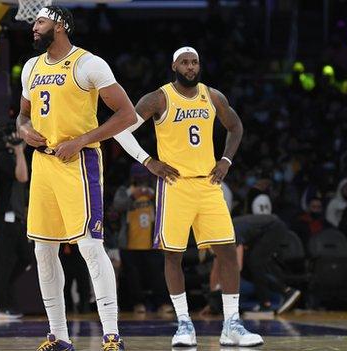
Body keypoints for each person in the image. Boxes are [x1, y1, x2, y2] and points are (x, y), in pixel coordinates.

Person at [113, 46, 263, 347]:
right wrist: (148, 161)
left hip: (208, 185)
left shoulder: (213, 96)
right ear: (174, 66)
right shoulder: (158, 97)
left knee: (228, 253)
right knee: (173, 256)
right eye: (185, 62)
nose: (191, 67)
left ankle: (231, 324)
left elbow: (236, 127)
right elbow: (120, 130)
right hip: (175, 186)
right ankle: (184, 323)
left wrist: (226, 161)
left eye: (194, 62)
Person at [16, 7, 136, 351]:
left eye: (39, 22)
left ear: (60, 25)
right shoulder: (31, 67)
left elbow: (126, 114)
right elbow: (21, 117)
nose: (33, 28)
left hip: (79, 163)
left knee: (89, 247)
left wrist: (82, 139)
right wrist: (25, 131)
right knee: (43, 250)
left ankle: (112, 335)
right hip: (44, 165)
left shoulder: (88, 64)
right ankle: (59, 336)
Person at [0, 135, 31, 320]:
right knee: (7, 260)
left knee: (25, 258)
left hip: (15, 216)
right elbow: (23, 177)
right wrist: (18, 151)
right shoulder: (4, 157)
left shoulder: (13, 156)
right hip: (6, 216)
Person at [113, 163, 170, 313]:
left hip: (152, 242)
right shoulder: (124, 191)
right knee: (133, 279)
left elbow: (167, 203)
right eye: (139, 177)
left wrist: (154, 197)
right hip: (129, 243)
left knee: (157, 276)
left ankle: (162, 303)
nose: (142, 180)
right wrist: (133, 196)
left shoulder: (155, 189)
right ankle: (138, 304)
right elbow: (117, 206)